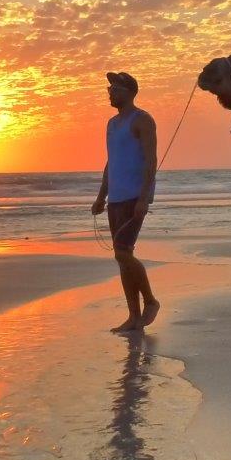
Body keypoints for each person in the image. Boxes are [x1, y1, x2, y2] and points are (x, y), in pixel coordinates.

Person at [91, 72, 160, 333]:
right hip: (116, 197)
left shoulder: (142, 120)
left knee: (122, 251)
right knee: (123, 258)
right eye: (109, 87)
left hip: (134, 197)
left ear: (130, 91)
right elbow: (111, 162)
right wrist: (101, 196)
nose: (110, 91)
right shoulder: (111, 123)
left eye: (115, 88)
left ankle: (151, 301)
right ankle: (134, 317)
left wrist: (144, 197)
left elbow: (151, 160)